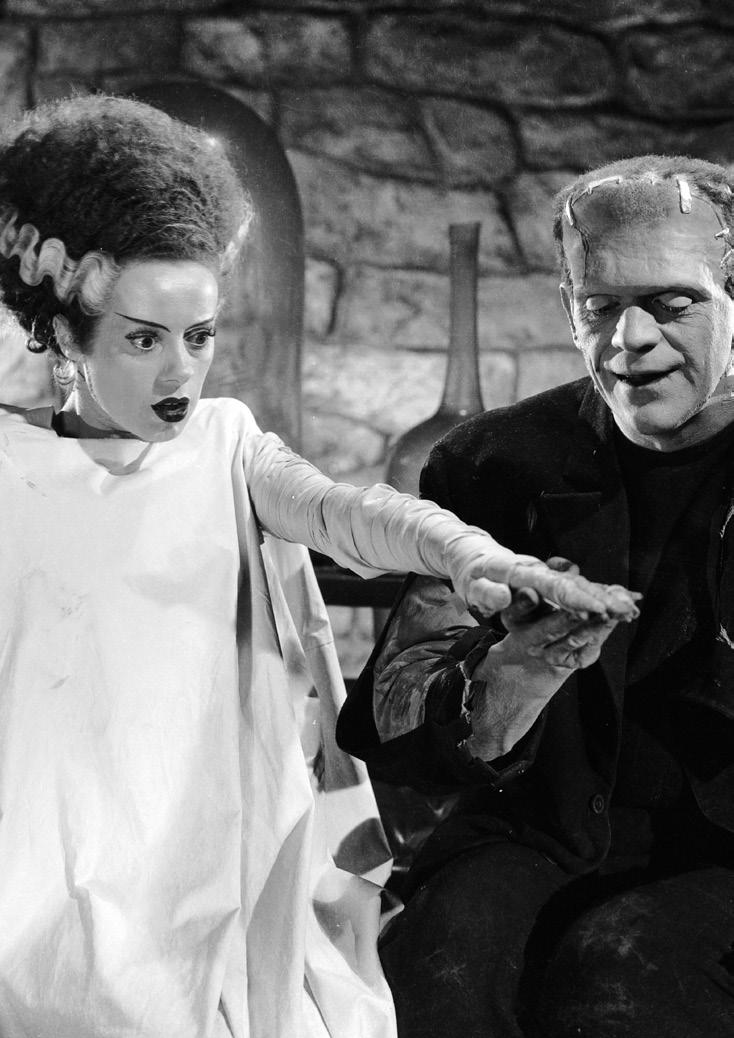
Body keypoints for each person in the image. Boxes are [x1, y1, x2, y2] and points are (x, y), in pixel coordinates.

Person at [0, 95, 636, 1038]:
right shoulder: (10, 467)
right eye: (143, 338)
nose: (179, 373)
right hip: (42, 841)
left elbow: (357, 514)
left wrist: (480, 558)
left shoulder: (224, 446)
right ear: (61, 333)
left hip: (198, 838)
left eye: (199, 336)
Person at [337, 154, 734, 1038]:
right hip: (534, 834)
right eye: (600, 306)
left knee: (619, 976)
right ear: (567, 306)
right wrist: (511, 678)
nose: (629, 338)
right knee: (432, 971)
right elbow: (392, 718)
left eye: (672, 304)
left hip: (721, 858)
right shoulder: (494, 463)